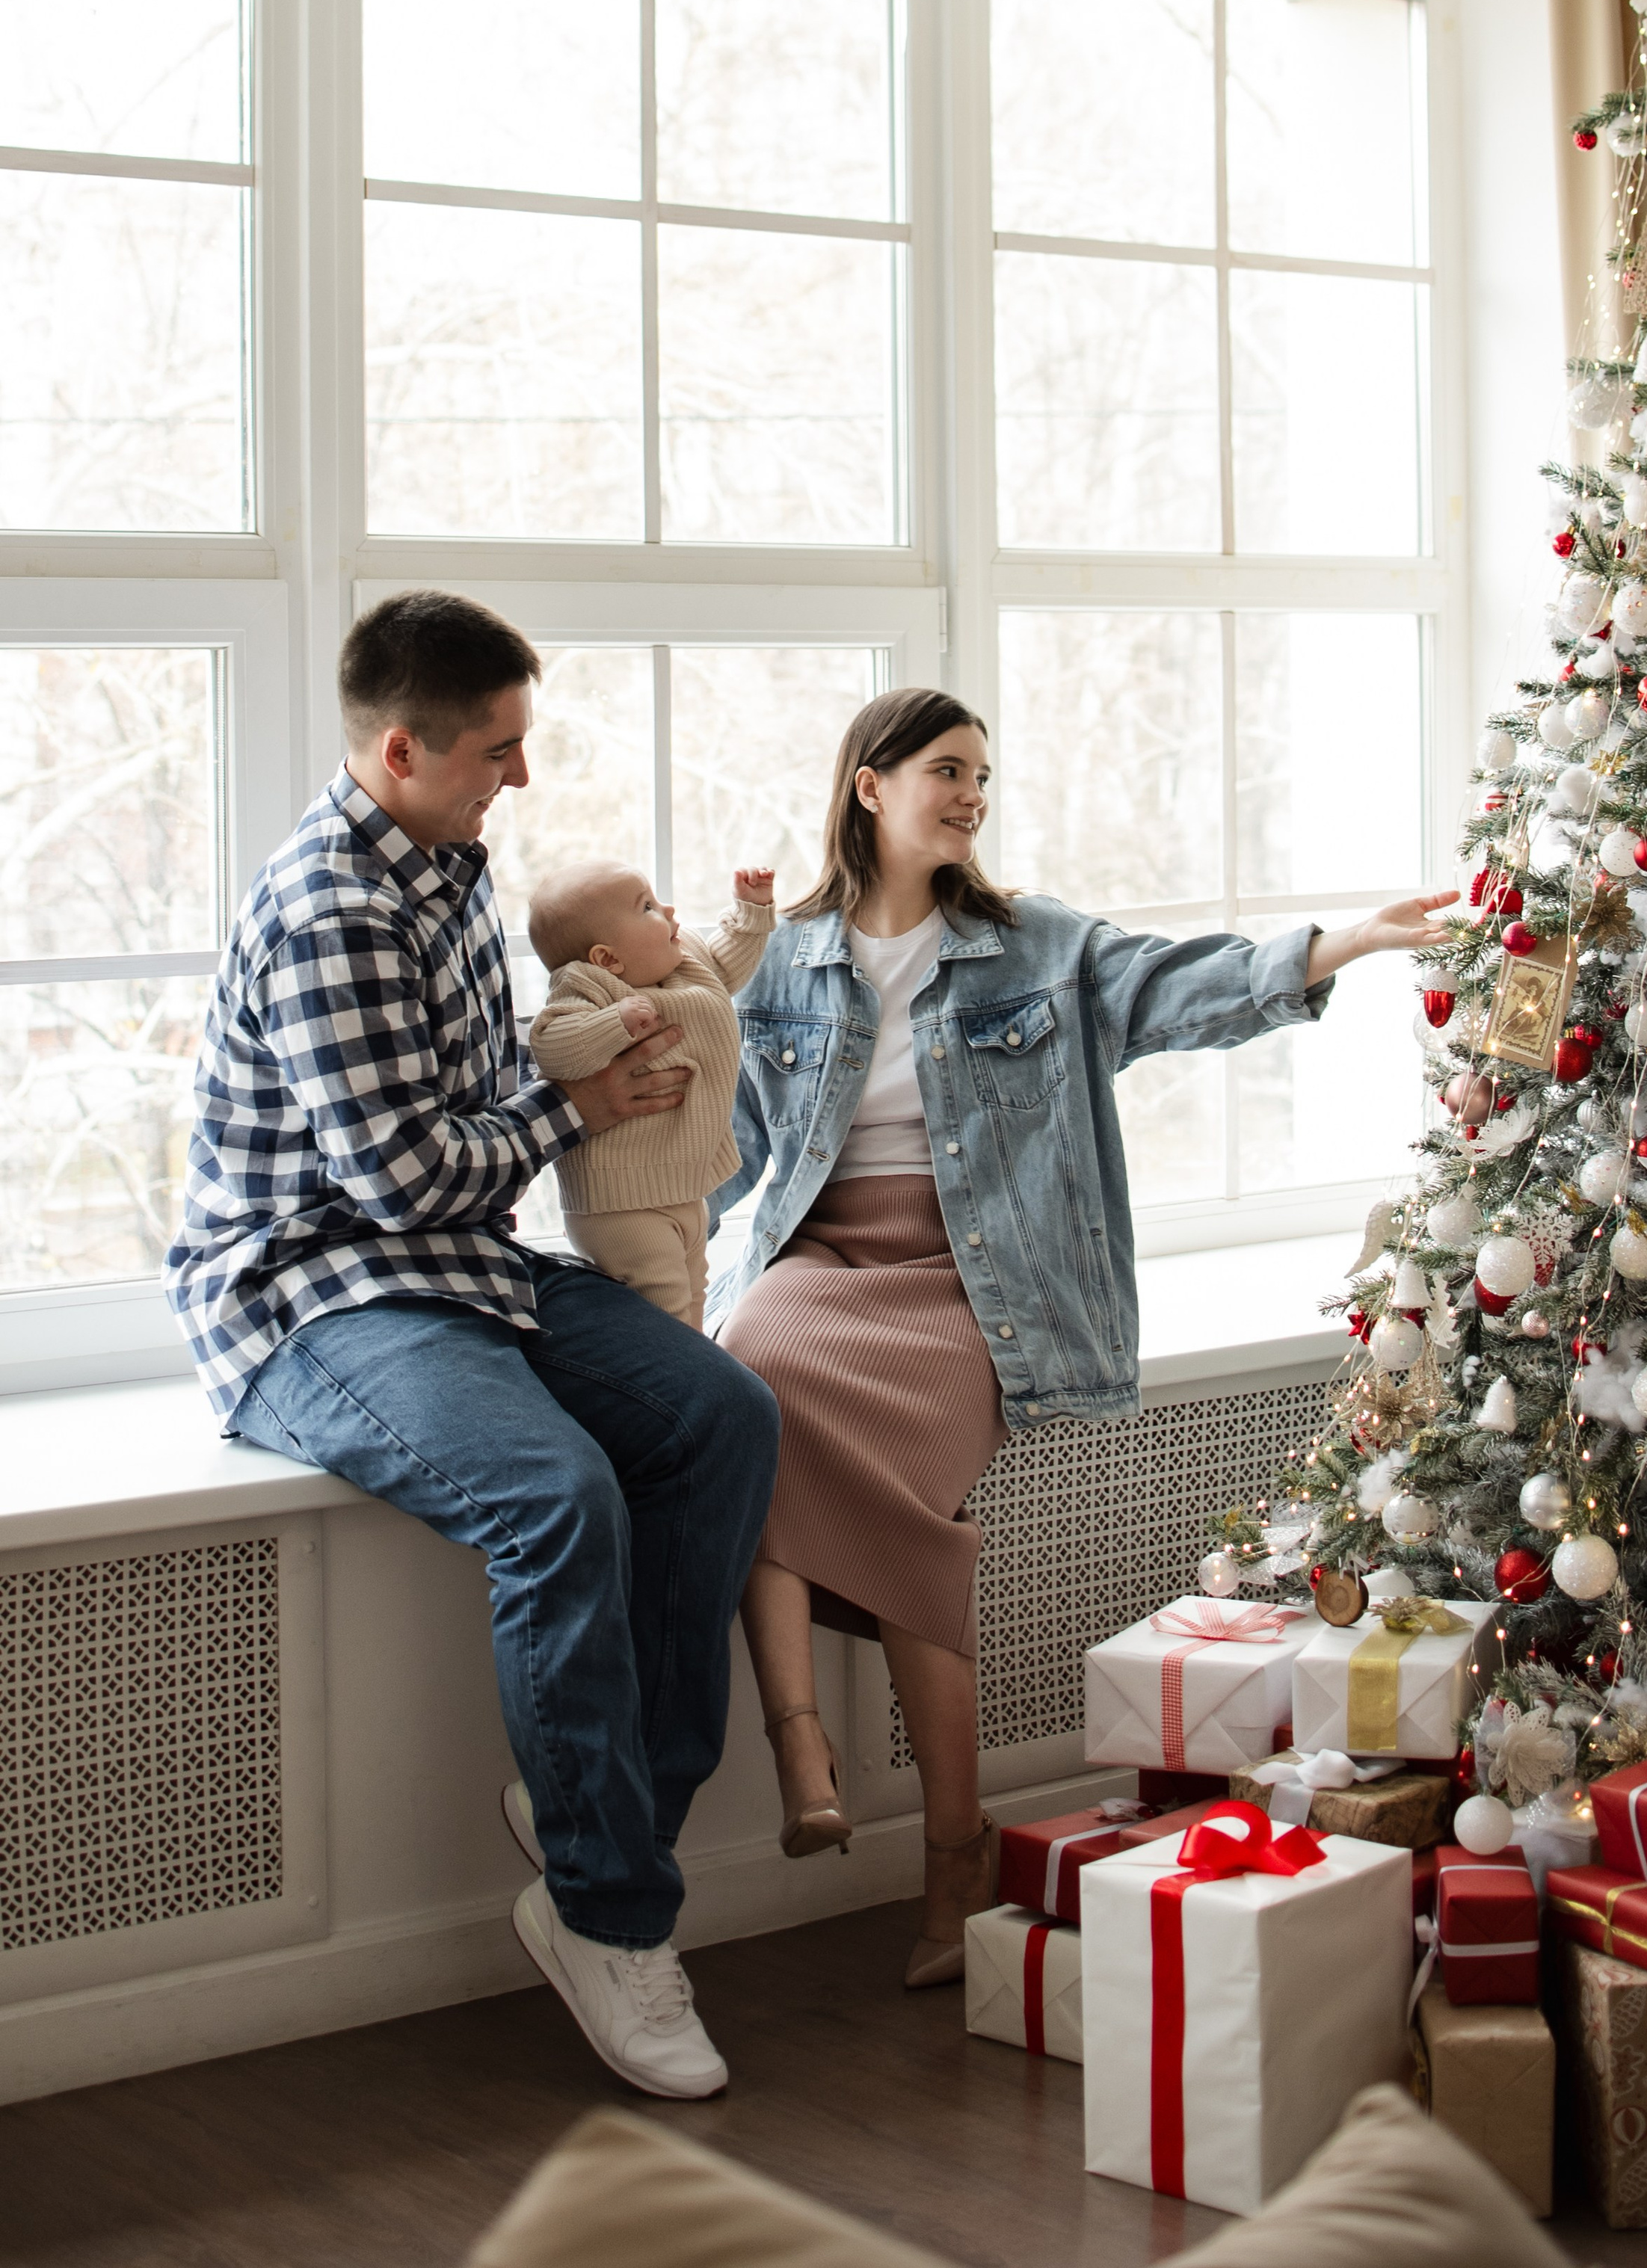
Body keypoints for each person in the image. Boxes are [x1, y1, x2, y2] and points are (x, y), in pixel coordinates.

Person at [710, 686, 1455, 1987]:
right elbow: (717, 1143)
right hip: (818, 1263)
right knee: (745, 1377)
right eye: (947, 771)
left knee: (898, 1512)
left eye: (981, 776)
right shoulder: (782, 960)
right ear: (870, 785)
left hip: (974, 1281)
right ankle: (808, 1749)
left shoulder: (1037, 947)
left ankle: (942, 1842)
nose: (971, 796)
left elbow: (1185, 987)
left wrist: (1342, 942)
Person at [163, 591, 779, 2101]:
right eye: (498, 748)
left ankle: (603, 1826)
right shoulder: (332, 910)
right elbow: (401, 1178)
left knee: (726, 1418)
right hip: (313, 1294)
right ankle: (611, 1916)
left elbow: (478, 1104)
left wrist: (599, 1060)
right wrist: (576, 1107)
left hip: (460, 1265)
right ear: (402, 749)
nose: (520, 773)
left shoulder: (444, 869)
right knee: (555, 1496)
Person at [526, 859, 776, 1325]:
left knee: (694, 1296)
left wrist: (750, 914)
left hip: (684, 1185)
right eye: (647, 907)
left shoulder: (684, 964)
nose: (669, 909)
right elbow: (552, 1045)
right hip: (619, 1201)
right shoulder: (589, 986)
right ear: (608, 959)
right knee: (666, 1312)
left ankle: (697, 1366)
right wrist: (612, 1024)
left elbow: (726, 966)